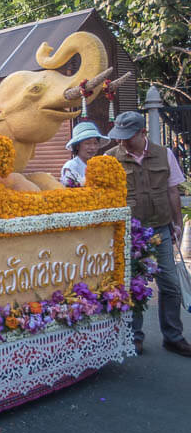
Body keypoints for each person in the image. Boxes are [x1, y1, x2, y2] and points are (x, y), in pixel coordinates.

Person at [105, 111, 190, 356]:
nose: (121, 142)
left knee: (171, 285)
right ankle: (135, 336)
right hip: (130, 232)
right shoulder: (110, 158)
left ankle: (173, 337)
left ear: (142, 132)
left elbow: (172, 191)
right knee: (134, 286)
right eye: (118, 136)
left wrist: (177, 224)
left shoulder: (165, 154)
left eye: (127, 137)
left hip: (161, 228)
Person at [61, 121, 109, 187]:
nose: (93, 147)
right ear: (77, 146)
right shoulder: (71, 166)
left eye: (95, 143)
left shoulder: (99, 165)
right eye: (87, 143)